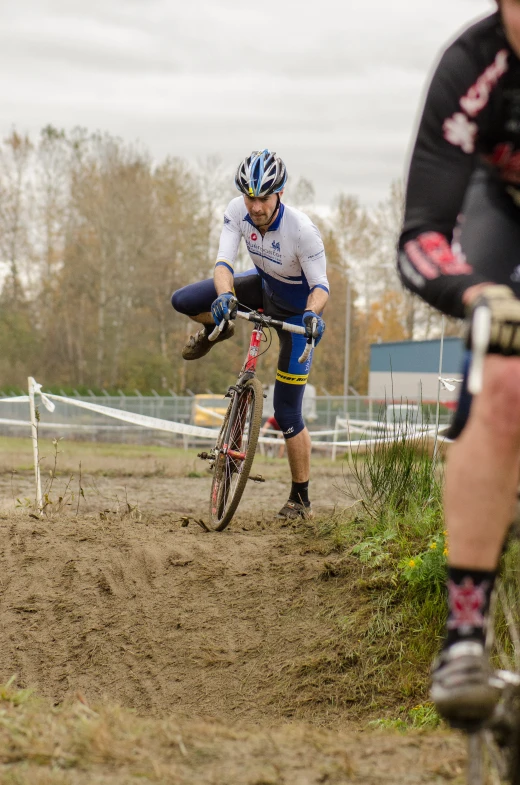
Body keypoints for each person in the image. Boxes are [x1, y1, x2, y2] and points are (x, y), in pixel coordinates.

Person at [398, 0, 520, 727]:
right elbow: (420, 237)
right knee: (502, 366)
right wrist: (476, 295)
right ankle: (465, 635)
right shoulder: (473, 66)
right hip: (501, 213)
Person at [172, 150, 329, 519]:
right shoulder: (236, 211)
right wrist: (226, 296)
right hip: (263, 288)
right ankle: (217, 327)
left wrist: (310, 315)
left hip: (297, 313)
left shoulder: (302, 231)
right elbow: (224, 263)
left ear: (281, 193)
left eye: (264, 197)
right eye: (250, 197)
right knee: (184, 300)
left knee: (286, 411)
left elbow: (321, 286)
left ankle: (300, 499)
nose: (255, 206)